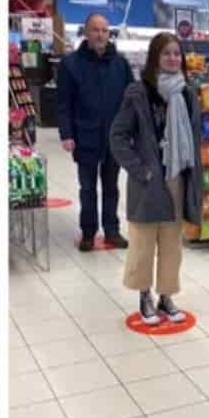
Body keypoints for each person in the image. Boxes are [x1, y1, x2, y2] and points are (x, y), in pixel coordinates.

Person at [109, 32, 203, 325]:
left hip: (177, 179)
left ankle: (166, 295)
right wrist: (142, 170)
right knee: (143, 243)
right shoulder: (138, 93)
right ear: (154, 58)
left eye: (177, 53)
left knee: (172, 246)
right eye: (166, 53)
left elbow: (194, 139)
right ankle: (144, 295)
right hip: (148, 183)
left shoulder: (188, 95)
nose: (173, 59)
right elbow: (118, 136)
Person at [56, 13, 134, 251]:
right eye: (95, 30)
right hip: (85, 135)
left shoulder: (121, 64)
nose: (100, 35)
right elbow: (63, 103)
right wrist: (66, 134)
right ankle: (88, 232)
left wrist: (132, 130)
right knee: (87, 188)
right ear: (86, 33)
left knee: (111, 187)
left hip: (114, 138)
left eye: (104, 30)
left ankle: (111, 231)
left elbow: (131, 100)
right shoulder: (70, 64)